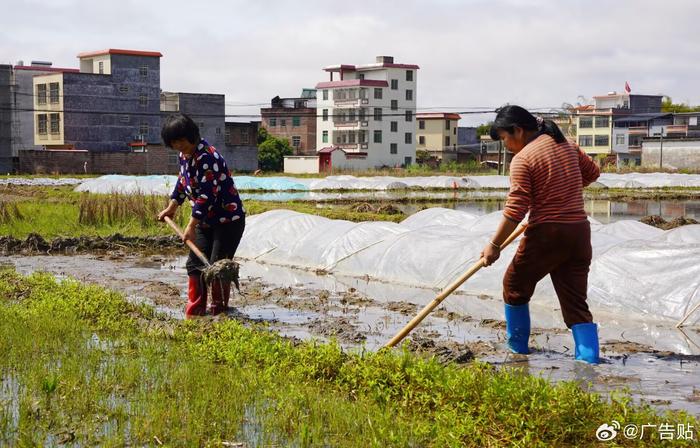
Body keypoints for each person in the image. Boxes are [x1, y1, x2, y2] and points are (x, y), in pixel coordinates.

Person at [481, 105, 601, 363]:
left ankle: (517, 350)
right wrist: (561, 189)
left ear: (518, 130)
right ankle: (589, 363)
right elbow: (592, 172)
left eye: (504, 138)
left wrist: (494, 244)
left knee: (514, 286)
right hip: (579, 233)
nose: (506, 146)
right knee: (576, 303)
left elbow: (515, 208)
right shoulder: (567, 144)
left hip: (548, 234)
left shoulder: (523, 159)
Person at [157, 114, 245, 318]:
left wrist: (190, 226)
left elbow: (205, 196)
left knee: (216, 268)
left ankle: (219, 313)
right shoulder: (185, 156)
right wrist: (172, 207)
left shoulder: (207, 158)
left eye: (181, 141)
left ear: (191, 136)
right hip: (205, 221)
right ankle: (195, 312)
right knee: (195, 266)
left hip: (227, 221)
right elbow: (182, 182)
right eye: (174, 143)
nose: (179, 146)